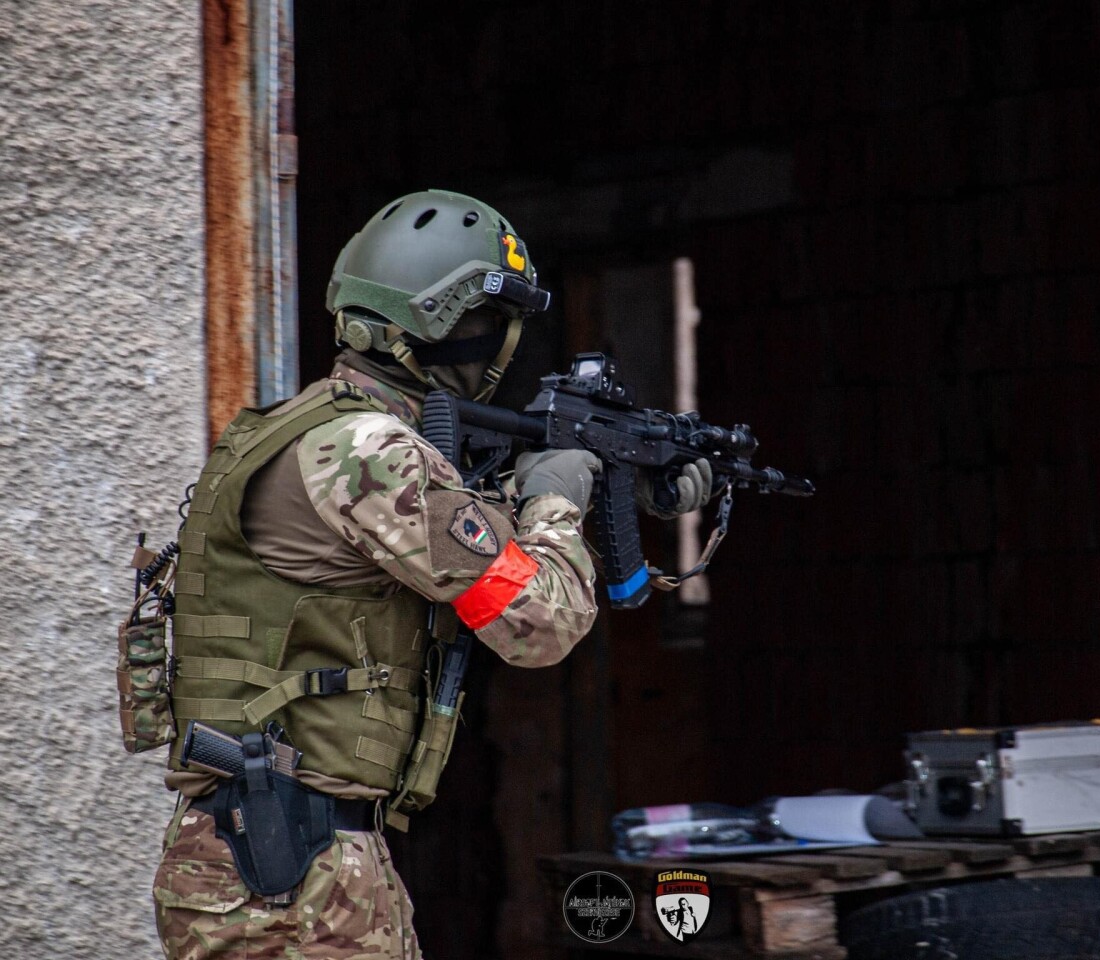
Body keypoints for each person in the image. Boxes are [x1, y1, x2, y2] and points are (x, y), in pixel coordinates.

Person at [150, 189, 709, 959]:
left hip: (288, 857)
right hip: (291, 873)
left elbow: (445, 536)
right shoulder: (369, 452)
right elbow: (539, 623)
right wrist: (554, 503)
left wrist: (589, 479)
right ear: (450, 323)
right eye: (495, 322)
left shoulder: (309, 431)